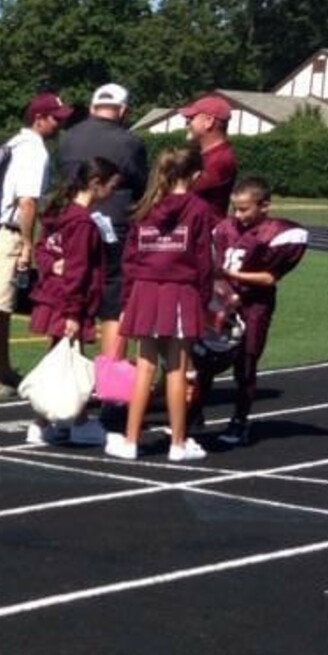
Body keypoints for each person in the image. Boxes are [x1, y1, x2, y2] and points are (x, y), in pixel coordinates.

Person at [106, 142, 214, 464]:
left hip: (144, 291)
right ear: (195, 174)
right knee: (178, 367)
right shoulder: (199, 209)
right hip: (181, 292)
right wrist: (205, 301)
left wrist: (128, 300)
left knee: (145, 367)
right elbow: (204, 261)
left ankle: (130, 440)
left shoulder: (145, 208)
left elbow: (131, 260)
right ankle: (178, 444)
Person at [191, 175, 309, 446]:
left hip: (254, 305)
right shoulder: (224, 229)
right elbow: (214, 264)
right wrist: (222, 286)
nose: (238, 214)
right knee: (205, 361)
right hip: (222, 302)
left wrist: (233, 276)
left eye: (245, 208)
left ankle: (240, 420)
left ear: (264, 206)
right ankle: (194, 413)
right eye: (236, 208)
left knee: (245, 364)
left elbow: (269, 278)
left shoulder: (277, 233)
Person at [0, 91, 70, 397]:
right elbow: (27, 202)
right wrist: (29, 245)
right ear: (39, 119)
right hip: (9, 233)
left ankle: (3, 369)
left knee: (1, 305)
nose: (59, 125)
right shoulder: (34, 151)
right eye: (56, 119)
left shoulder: (12, 144)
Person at [23, 156, 120, 448]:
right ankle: (74, 423)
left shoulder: (58, 213)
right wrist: (73, 313)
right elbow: (77, 272)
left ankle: (44, 423)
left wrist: (50, 266)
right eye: (111, 186)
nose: (113, 193)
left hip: (54, 295)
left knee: (59, 357)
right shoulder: (81, 222)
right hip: (67, 300)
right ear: (95, 184)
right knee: (69, 359)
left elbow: (42, 249)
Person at [56, 83, 149, 363]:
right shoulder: (129, 142)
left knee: (74, 289)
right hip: (114, 224)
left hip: (71, 220)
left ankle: (73, 371)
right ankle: (108, 375)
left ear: (93, 107)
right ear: (122, 111)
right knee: (114, 301)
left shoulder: (69, 138)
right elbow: (141, 186)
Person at [180, 93, 239, 217]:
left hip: (206, 232)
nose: (187, 123)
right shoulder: (208, 155)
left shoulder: (220, 160)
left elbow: (182, 193)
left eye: (191, 118)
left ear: (209, 121)